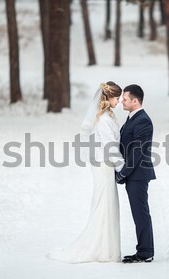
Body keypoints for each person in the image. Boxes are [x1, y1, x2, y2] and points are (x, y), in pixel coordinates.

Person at [49, 81, 124, 263]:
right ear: (108, 97)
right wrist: (122, 166)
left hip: (104, 165)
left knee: (107, 204)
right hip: (103, 166)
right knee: (104, 204)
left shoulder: (107, 116)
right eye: (117, 97)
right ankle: (101, 248)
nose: (119, 101)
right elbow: (109, 146)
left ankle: (107, 248)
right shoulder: (105, 120)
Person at [115, 84, 156, 263]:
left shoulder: (143, 121)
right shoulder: (132, 118)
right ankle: (144, 250)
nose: (122, 101)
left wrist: (123, 172)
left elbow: (137, 151)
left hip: (138, 175)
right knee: (138, 213)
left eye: (125, 99)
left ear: (135, 101)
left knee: (140, 214)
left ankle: (145, 252)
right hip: (133, 174)